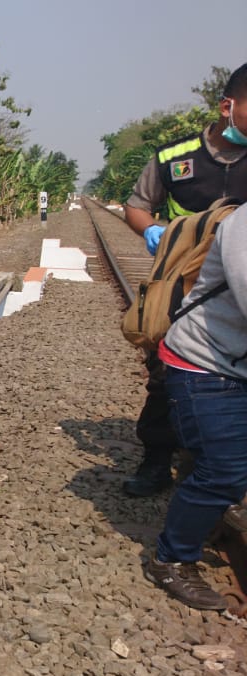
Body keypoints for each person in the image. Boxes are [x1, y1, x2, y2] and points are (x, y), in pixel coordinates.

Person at [120, 63, 247, 498]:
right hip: (181, 285)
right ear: (227, 106)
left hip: (237, 289)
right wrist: (150, 231)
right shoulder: (176, 158)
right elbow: (137, 206)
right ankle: (156, 461)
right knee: (164, 374)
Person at [141, 202, 247, 611]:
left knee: (227, 463)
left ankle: (221, 504)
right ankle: (172, 559)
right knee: (223, 468)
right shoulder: (243, 225)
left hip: (237, 362)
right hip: (206, 362)